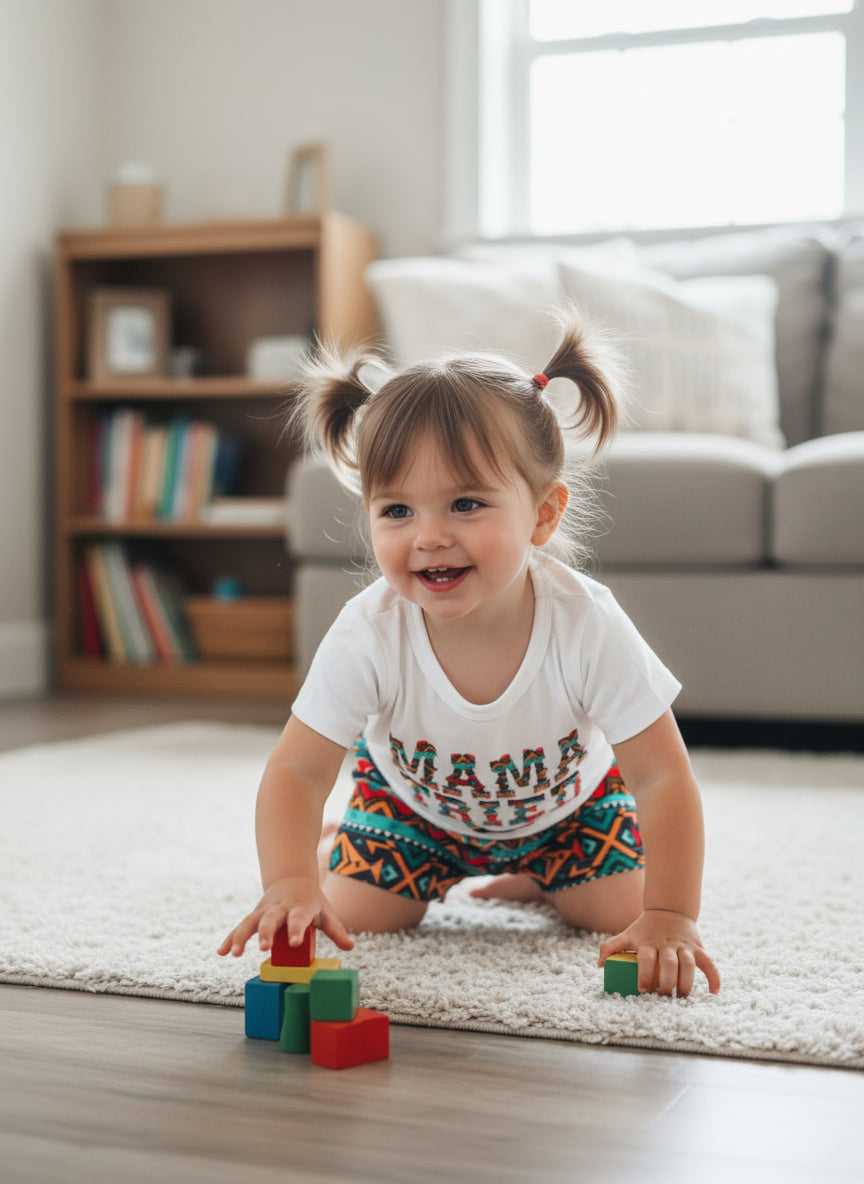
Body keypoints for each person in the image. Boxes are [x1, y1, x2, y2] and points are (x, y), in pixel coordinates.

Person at [219, 313, 721, 998]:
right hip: (411, 812)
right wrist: (289, 883)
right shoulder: (369, 630)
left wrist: (671, 917)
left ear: (542, 515)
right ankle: (336, 843)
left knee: (620, 914)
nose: (429, 537)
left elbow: (663, 779)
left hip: (570, 814)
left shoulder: (586, 622)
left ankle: (538, 877)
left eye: (465, 503)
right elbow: (298, 771)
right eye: (396, 511)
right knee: (363, 917)